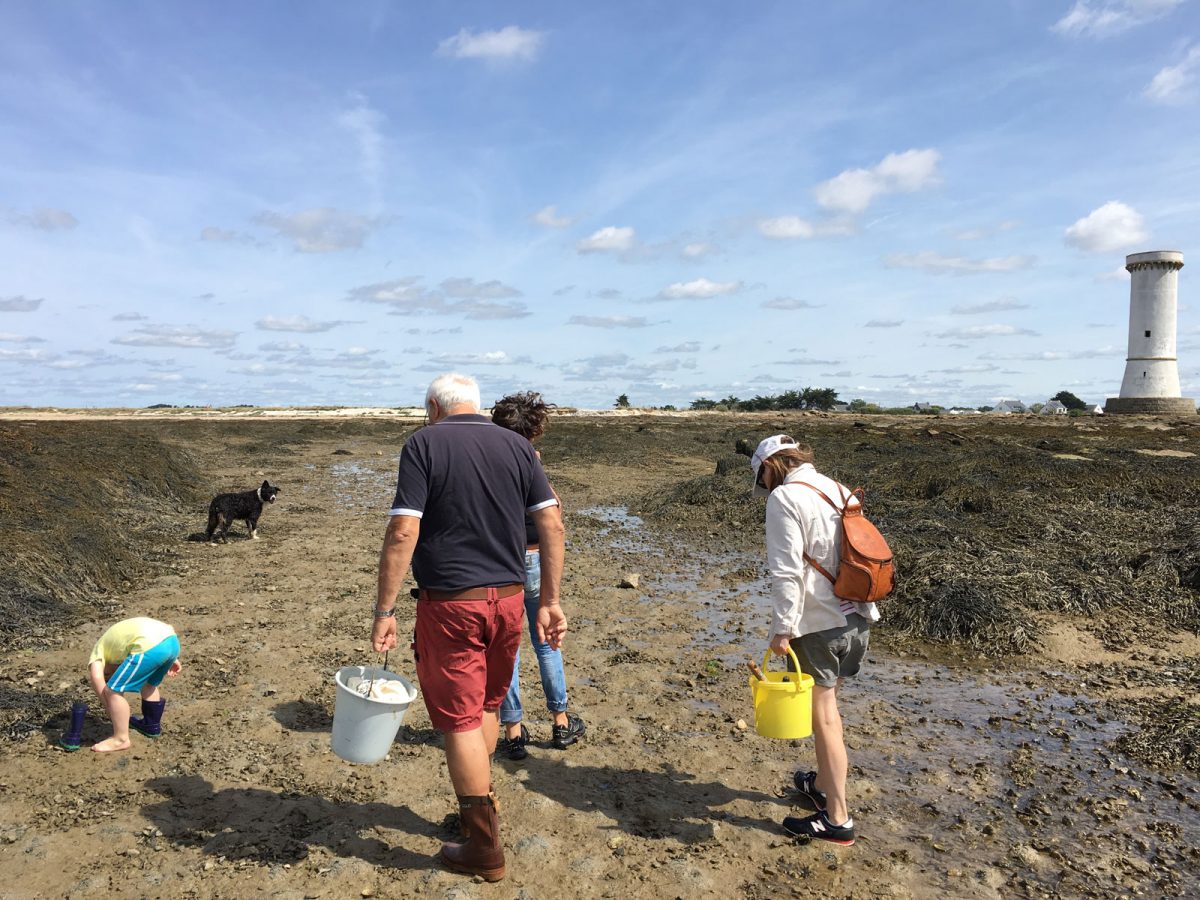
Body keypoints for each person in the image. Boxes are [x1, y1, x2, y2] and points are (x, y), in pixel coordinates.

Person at [371, 373, 566, 883]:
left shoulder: (423, 443)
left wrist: (384, 610)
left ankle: (483, 846)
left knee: (459, 721)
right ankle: (482, 812)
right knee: (484, 706)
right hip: (507, 603)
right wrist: (549, 601)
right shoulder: (518, 447)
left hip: (452, 607)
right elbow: (552, 524)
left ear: (434, 406)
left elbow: (403, 529)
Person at [750, 434, 880, 846]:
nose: (764, 487)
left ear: (771, 467)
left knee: (824, 719)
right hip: (857, 619)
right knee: (829, 706)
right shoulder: (837, 488)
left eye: (762, 478)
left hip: (818, 625)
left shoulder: (785, 499)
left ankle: (837, 818)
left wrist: (781, 629)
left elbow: (786, 571)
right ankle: (821, 785)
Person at [490, 392, 585, 760]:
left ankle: (514, 731)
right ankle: (560, 721)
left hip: (505, 565)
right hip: (534, 561)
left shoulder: (491, 464)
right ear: (535, 429)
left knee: (508, 648)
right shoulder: (530, 462)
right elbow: (554, 514)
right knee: (546, 643)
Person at [86, 616, 182, 753]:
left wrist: (108, 705)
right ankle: (151, 725)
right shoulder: (116, 649)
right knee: (148, 683)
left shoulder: (97, 654)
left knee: (112, 690)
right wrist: (170, 656)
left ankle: (120, 739)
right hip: (171, 642)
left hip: (150, 646)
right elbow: (161, 631)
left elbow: (96, 677)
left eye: (106, 675)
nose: (109, 677)